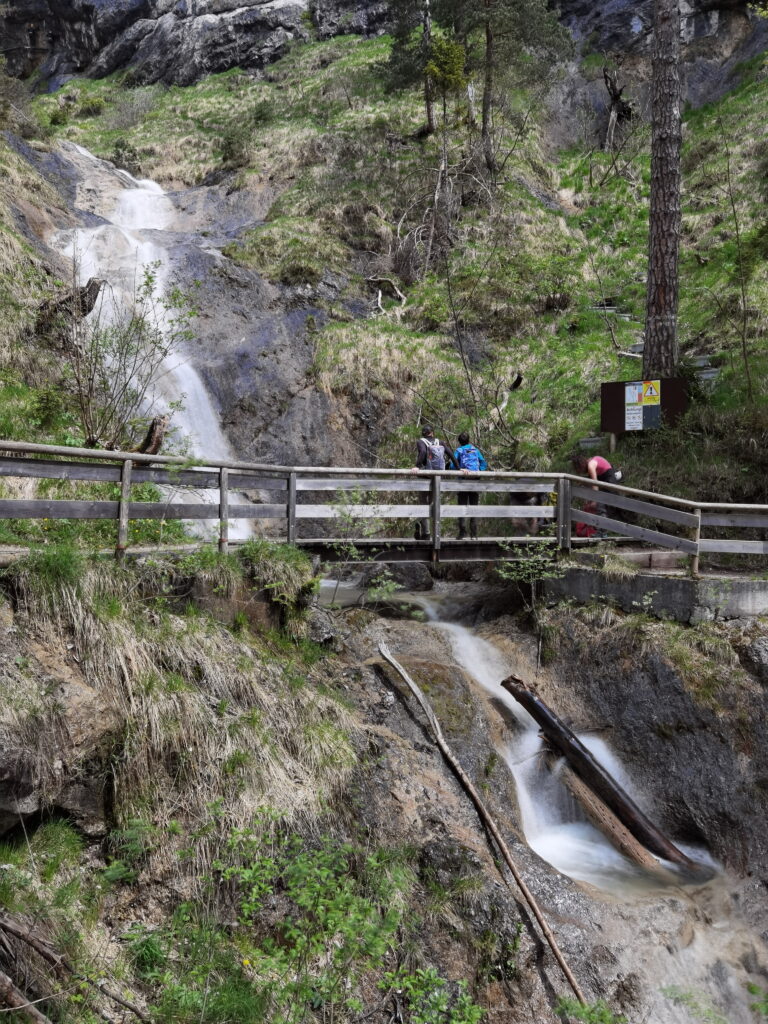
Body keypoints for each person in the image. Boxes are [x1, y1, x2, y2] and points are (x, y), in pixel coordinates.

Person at [411, 426, 456, 540]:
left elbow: (422, 452)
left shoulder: (421, 441)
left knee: (423, 503)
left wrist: (417, 466)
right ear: (432, 433)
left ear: (423, 433)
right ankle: (426, 528)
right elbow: (451, 454)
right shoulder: (439, 442)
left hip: (424, 475)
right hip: (437, 476)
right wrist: (459, 467)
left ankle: (426, 532)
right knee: (432, 503)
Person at [571, 453, 624, 525]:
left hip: (609, 478)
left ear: (582, 465)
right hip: (605, 478)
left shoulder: (591, 466)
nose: (580, 472)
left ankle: (605, 528)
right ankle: (605, 526)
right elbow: (592, 483)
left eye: (579, 470)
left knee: (603, 503)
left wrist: (594, 501)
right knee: (604, 504)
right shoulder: (591, 462)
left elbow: (595, 484)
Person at [452, 433, 488, 540]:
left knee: (462, 507)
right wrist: (478, 472)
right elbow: (483, 463)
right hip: (475, 481)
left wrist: (458, 470)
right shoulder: (475, 450)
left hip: (463, 481)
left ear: (459, 441)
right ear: (469, 440)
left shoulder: (459, 451)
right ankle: (474, 534)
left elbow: (454, 465)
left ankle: (462, 532)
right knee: (474, 506)